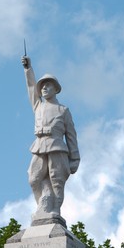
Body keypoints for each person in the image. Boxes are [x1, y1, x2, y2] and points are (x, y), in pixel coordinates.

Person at [21, 55, 80, 222]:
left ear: (56, 89)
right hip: (39, 145)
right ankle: (43, 204)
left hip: (57, 146)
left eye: (48, 85)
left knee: (57, 179)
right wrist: (28, 69)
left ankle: (55, 209)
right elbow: (31, 87)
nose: (44, 88)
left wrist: (74, 158)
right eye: (43, 85)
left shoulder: (63, 110)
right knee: (34, 178)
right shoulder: (38, 105)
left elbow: (71, 136)